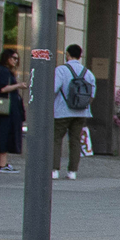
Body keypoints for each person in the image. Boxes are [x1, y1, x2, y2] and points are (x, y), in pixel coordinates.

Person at [51, 43, 95, 180]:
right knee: (75, 140)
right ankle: (72, 171)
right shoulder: (88, 73)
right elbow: (92, 95)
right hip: (81, 112)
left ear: (67, 54)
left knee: (56, 139)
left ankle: (54, 170)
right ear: (80, 55)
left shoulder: (61, 70)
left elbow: (53, 88)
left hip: (62, 111)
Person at [0, 48, 24, 170]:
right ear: (7, 58)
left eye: (17, 59)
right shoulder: (3, 71)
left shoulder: (5, 71)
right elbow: (2, 88)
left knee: (2, 134)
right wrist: (18, 85)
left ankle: (1, 163)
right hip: (6, 109)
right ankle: (2, 164)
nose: (15, 61)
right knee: (4, 134)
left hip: (8, 109)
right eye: (13, 58)